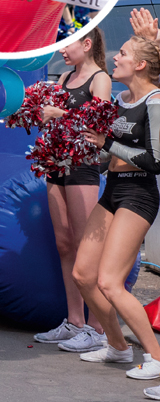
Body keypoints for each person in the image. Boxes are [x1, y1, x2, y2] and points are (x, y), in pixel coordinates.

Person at [69, 37, 160, 397]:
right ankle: (119, 348)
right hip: (114, 189)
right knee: (83, 275)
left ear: (140, 64)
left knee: (109, 281)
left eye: (123, 54)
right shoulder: (120, 101)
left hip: (139, 194)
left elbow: (155, 160)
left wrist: (106, 144)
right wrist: (79, 152)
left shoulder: (155, 101)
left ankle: (155, 355)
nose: (115, 59)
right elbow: (111, 155)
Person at [30, 28, 111, 352]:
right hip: (56, 164)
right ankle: (74, 320)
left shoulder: (100, 79)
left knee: (85, 244)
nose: (62, 51)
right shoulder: (64, 77)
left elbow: (101, 124)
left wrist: (59, 114)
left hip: (82, 166)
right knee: (64, 243)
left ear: (87, 44)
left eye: (68, 45)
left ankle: (98, 326)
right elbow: (57, 123)